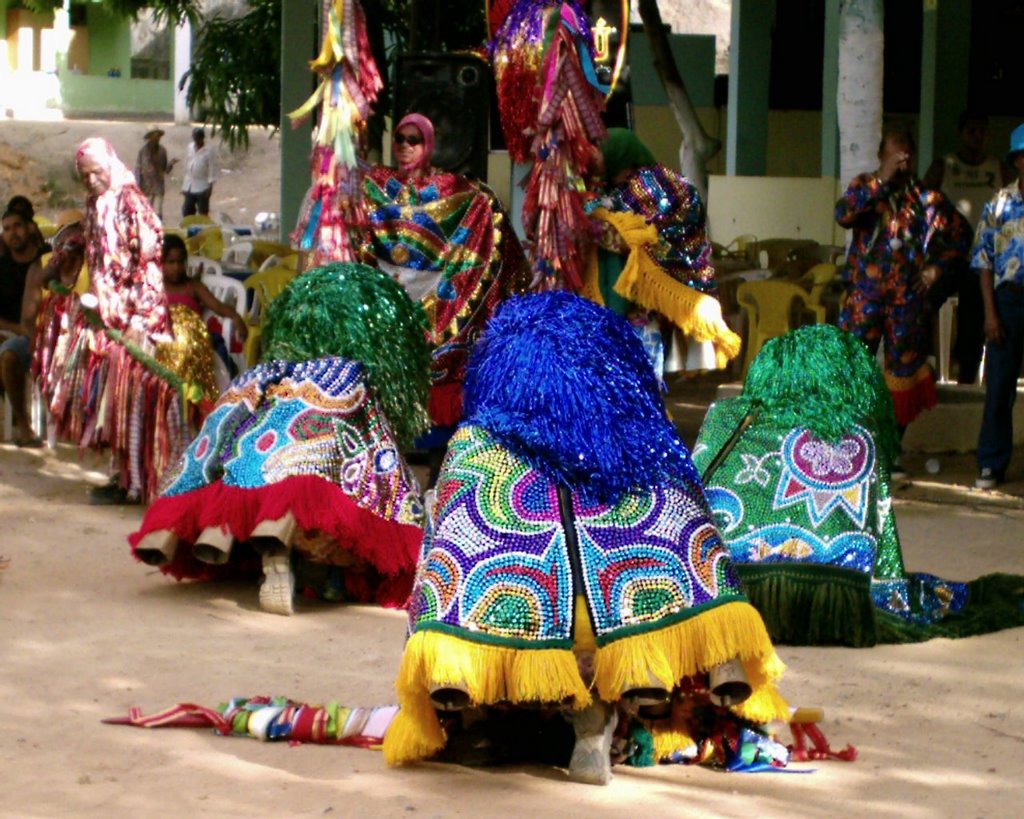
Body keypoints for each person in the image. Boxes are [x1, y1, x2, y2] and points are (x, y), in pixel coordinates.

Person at [384, 291, 788, 785]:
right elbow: (704, 550)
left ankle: (480, 718)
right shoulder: (648, 449)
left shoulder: (472, 451)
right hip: (633, 643)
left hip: (510, 647)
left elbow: (440, 566)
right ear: (613, 367)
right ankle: (604, 718)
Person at [692, 323, 1024, 645]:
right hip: (832, 604)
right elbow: (884, 562)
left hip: (711, 593)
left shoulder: (723, 417)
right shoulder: (860, 434)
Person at [130, 262, 430, 616]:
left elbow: (216, 436)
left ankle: (238, 543)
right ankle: (285, 553)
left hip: (242, 494)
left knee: (248, 466)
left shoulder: (260, 375)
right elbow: (376, 467)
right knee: (319, 482)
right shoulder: (350, 377)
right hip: (306, 516)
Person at [360, 113, 530, 483]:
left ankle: (441, 485)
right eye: (400, 139)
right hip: (392, 320)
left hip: (444, 322)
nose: (405, 147)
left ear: (430, 143)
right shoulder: (379, 187)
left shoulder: (457, 191)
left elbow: (483, 208)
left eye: (414, 140)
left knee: (441, 432)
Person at [38, 138, 185, 504]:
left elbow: (147, 264)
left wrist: (139, 319)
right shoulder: (93, 204)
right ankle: (123, 480)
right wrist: (65, 254)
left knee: (134, 402)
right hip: (108, 318)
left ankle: (145, 483)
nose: (90, 181)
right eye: (84, 176)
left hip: (137, 319)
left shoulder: (132, 202)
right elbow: (91, 245)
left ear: (110, 166)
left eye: (95, 173)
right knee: (112, 403)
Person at [836, 126, 971, 477]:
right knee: (851, 369)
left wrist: (934, 272)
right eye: (896, 151)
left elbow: (961, 236)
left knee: (903, 376)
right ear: (882, 155)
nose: (903, 157)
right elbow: (844, 215)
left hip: (907, 303)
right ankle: (848, 452)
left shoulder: (927, 198)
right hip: (863, 299)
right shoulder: (864, 187)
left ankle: (889, 452)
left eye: (908, 152)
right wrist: (882, 180)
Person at [581, 128, 740, 377]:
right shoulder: (610, 188)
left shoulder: (654, 185)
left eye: (603, 154)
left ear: (622, 156)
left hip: (643, 303)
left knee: (638, 377)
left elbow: (636, 237)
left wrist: (596, 223)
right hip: (627, 301)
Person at [922, 112, 1012, 384]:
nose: (977, 137)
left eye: (982, 132)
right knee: (924, 303)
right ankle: (922, 364)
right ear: (961, 134)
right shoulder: (944, 165)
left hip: (983, 256)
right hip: (948, 255)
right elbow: (921, 202)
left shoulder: (997, 168)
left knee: (974, 315)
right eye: (971, 131)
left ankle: (967, 374)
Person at [972, 123, 1024, 490]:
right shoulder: (1000, 204)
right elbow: (984, 262)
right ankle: (991, 462)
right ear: (1018, 160)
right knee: (1000, 386)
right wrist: (991, 313)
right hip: (1008, 302)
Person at [159, 232, 246, 398]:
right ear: (161, 263)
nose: (176, 267)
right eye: (170, 262)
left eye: (180, 262)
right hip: (166, 340)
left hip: (193, 341)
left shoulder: (193, 287)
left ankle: (192, 397)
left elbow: (218, 306)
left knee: (189, 353)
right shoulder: (157, 286)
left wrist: (236, 317)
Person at [0, 205, 44, 446]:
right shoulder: (2, 265)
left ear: (29, 227)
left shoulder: (47, 260)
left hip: (47, 335)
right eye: (6, 229)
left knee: (9, 354)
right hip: (13, 332)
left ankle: (25, 428)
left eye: (17, 226)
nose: (12, 233)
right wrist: (18, 328)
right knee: (8, 350)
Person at [134, 125, 177, 221]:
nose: (157, 138)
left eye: (158, 136)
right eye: (154, 136)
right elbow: (138, 169)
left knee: (158, 214)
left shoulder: (162, 151)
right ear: (149, 137)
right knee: (146, 214)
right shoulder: (143, 152)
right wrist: (137, 185)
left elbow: (165, 170)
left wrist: (171, 164)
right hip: (146, 187)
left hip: (158, 188)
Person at [181, 127, 217, 218]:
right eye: (194, 138)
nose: (196, 140)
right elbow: (187, 161)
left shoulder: (209, 150)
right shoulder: (190, 147)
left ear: (202, 138)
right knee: (187, 210)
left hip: (202, 185)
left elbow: (212, 167)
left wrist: (210, 186)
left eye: (198, 138)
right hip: (189, 184)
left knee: (202, 212)